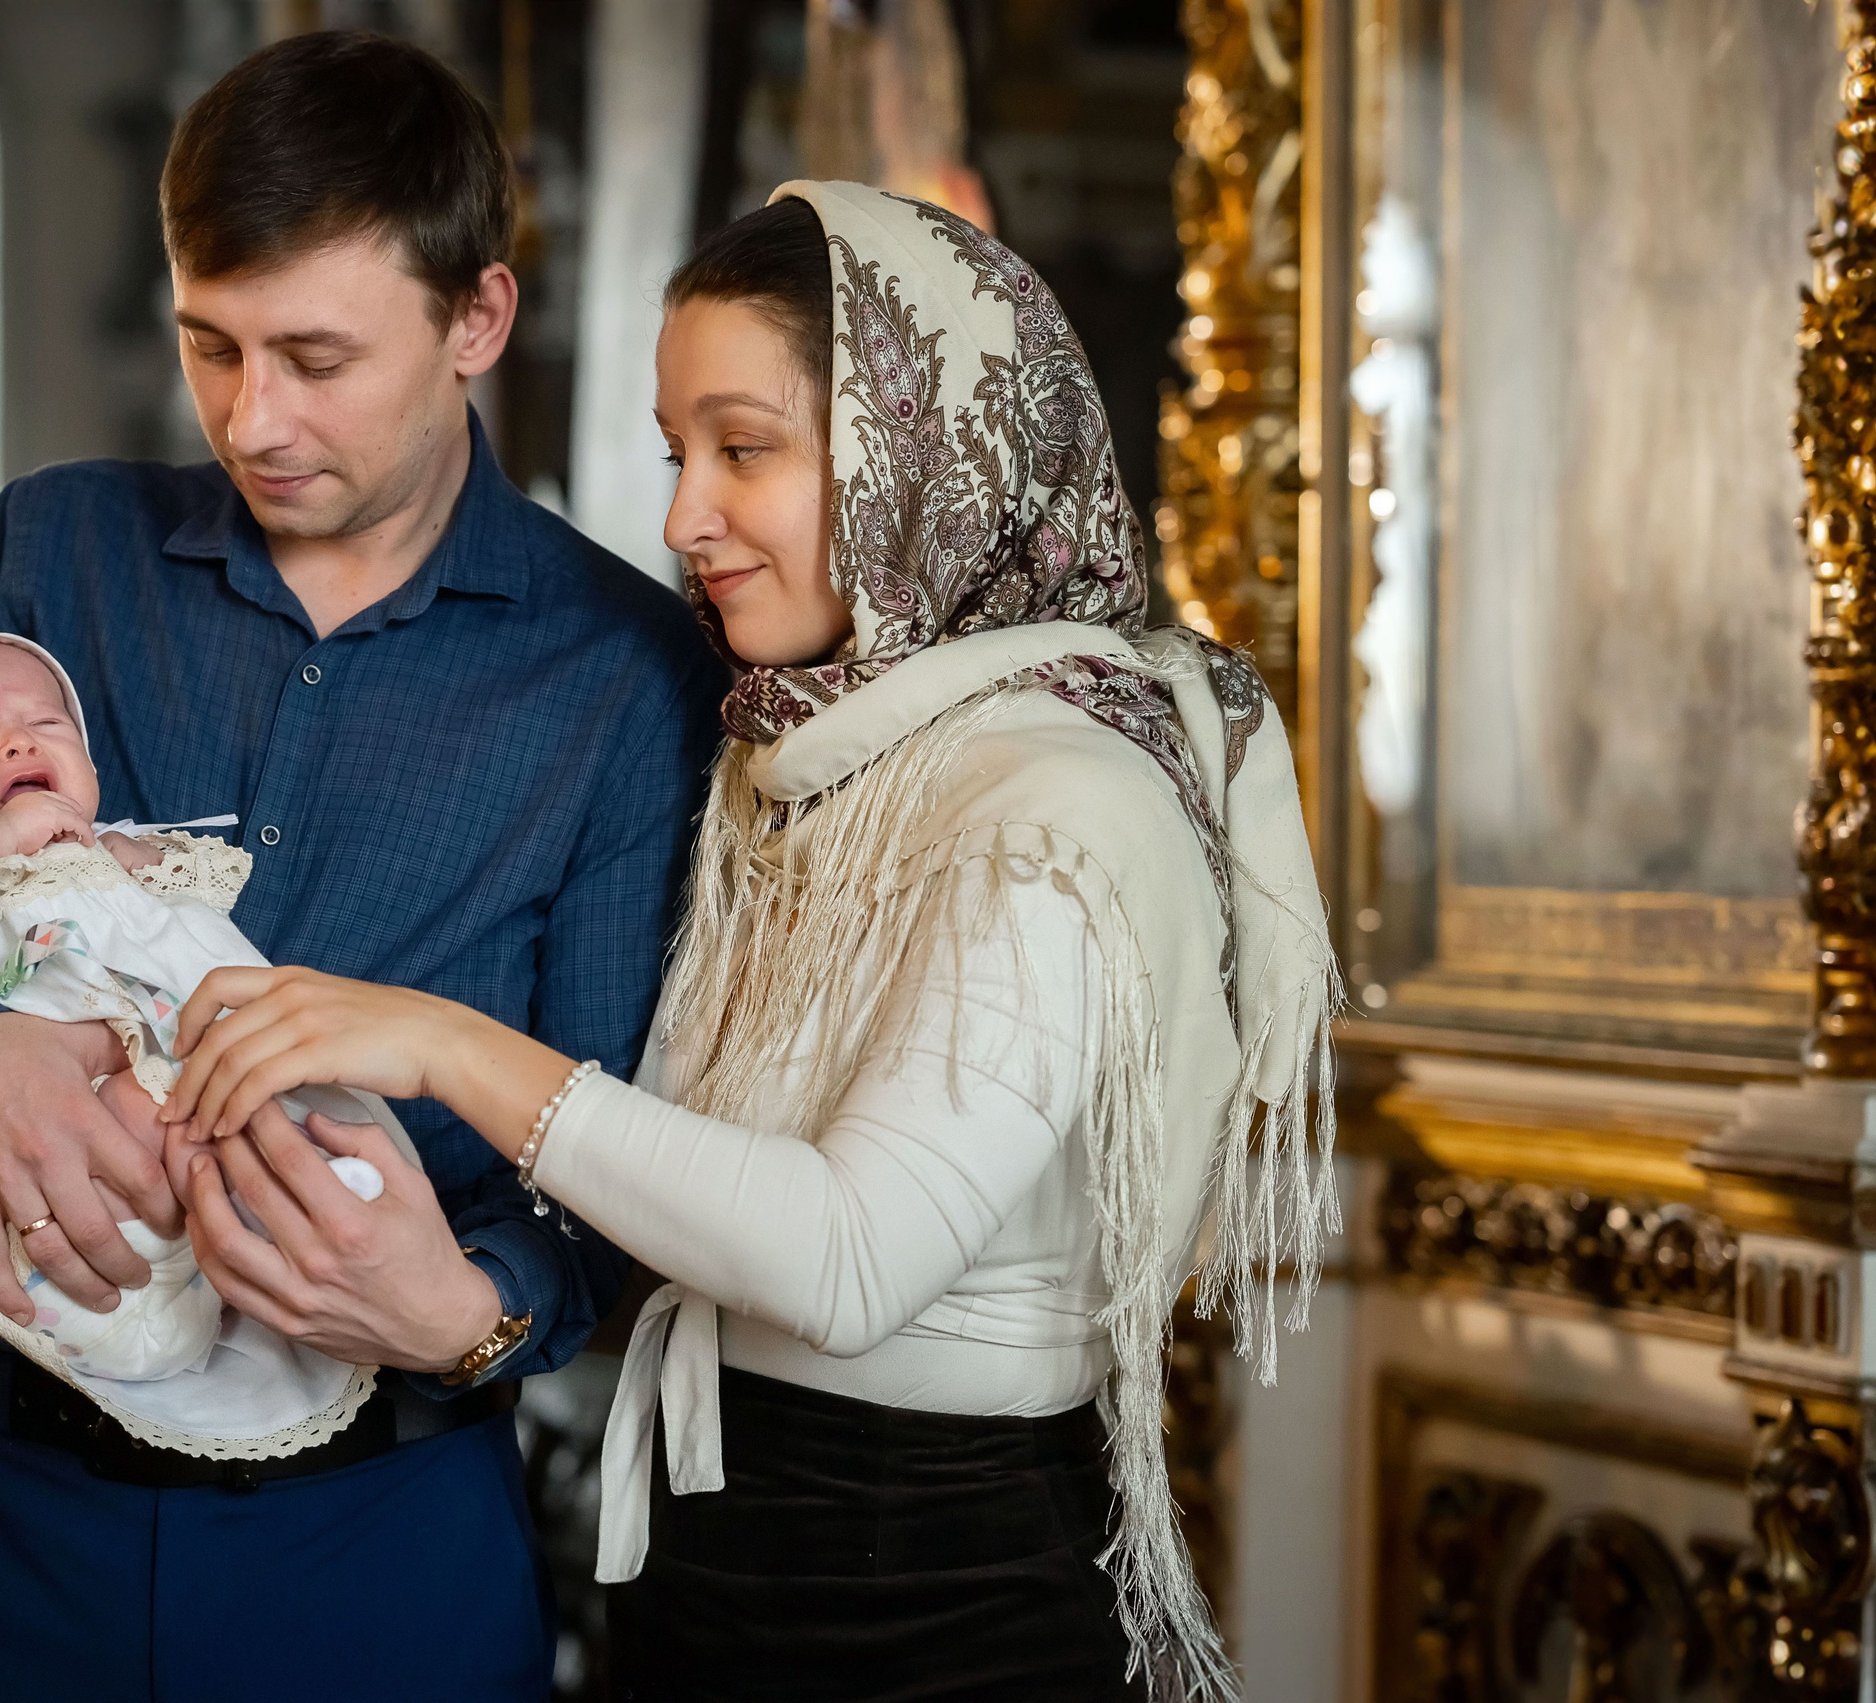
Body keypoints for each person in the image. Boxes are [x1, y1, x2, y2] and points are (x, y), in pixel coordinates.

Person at [162, 183, 1342, 1702]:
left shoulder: (1059, 793)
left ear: (918, 453)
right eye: (676, 454)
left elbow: (849, 1260)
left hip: (937, 1583)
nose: (681, 519)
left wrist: (443, 1041)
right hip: (728, 1550)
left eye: (746, 449)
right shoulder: (804, 760)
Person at [0, 31, 721, 1701]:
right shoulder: (49, 549)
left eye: (316, 356)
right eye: (210, 343)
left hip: (384, 1541)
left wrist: (468, 1306)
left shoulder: (622, 678)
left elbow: (625, 1145)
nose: (254, 415)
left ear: (479, 320)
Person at [0, 597, 412, 1448]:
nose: (16, 742)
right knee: (145, 1116)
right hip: (70, 1119)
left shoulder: (99, 844)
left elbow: (203, 889)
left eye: (44, 723)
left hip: (180, 1060)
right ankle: (169, 1279)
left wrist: (136, 857)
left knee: (248, 1098)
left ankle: (296, 1203)